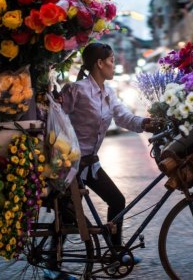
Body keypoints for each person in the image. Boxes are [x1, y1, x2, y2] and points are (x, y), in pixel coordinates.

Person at [44, 43, 154, 280]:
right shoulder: (76, 90)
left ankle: (115, 253)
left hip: (90, 164)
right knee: (70, 214)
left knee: (117, 200)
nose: (114, 65)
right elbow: (56, 117)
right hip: (70, 164)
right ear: (99, 63)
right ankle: (51, 266)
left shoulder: (108, 92)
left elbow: (123, 117)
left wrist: (145, 123)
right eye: (112, 60)